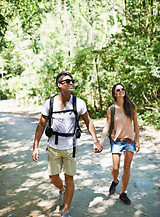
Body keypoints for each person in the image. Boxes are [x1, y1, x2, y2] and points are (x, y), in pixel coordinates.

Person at [32, 72, 102, 217]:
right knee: (53, 178)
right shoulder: (49, 103)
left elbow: (89, 122)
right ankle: (62, 190)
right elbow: (41, 126)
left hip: (71, 147)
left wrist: (95, 141)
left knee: (69, 178)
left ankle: (66, 209)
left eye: (72, 81)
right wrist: (35, 147)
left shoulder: (79, 103)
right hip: (53, 147)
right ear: (59, 85)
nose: (71, 83)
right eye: (67, 81)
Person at [100, 83, 140, 205]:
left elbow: (136, 124)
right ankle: (115, 180)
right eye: (118, 89)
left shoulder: (131, 106)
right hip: (116, 141)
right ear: (114, 93)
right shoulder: (111, 109)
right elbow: (107, 126)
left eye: (123, 89)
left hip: (129, 141)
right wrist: (100, 142)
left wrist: (137, 140)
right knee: (115, 168)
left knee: (127, 167)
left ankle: (123, 193)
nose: (121, 91)